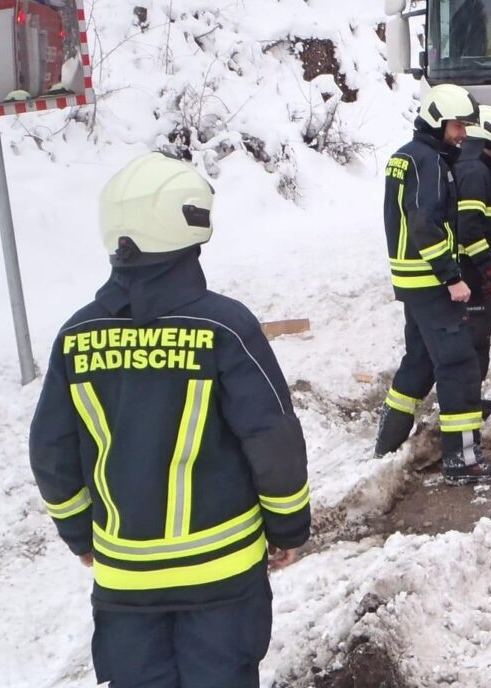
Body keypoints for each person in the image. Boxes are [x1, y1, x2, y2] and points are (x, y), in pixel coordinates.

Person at [29, 152, 310, 688]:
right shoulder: (225, 329)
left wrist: (78, 535)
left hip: (124, 579)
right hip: (221, 576)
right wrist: (289, 527)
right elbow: (272, 439)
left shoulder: (76, 336)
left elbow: (50, 450)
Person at [374, 84, 491, 485]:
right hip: (431, 280)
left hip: (411, 280)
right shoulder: (431, 163)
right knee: (459, 364)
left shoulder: (405, 157)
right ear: (436, 122)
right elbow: (425, 224)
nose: (463, 134)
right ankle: (463, 460)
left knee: (419, 361)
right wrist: (451, 277)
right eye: (456, 126)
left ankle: (388, 441)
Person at [453, 104, 491, 418]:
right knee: (475, 341)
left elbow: (482, 225)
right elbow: (468, 230)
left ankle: (470, 401)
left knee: (476, 339)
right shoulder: (476, 173)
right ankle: (468, 406)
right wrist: (488, 269)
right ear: (488, 139)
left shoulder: (475, 170)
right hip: (470, 272)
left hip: (469, 269)